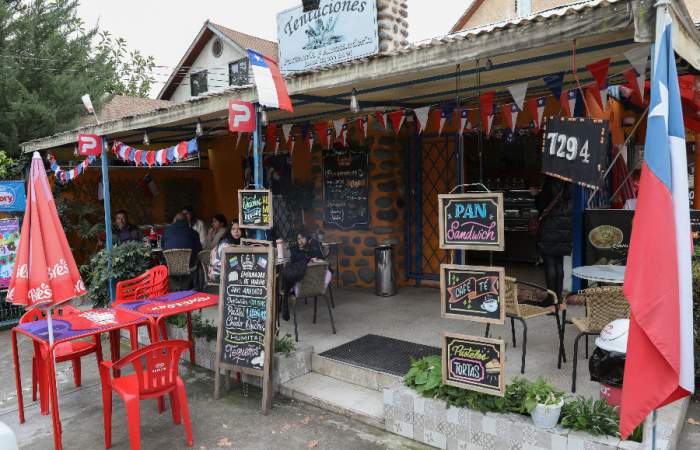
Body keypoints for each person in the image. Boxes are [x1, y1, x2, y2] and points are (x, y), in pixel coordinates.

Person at [531, 177, 572, 304]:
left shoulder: (550, 182)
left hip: (549, 226)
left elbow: (541, 206)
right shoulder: (570, 184)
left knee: (549, 264)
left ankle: (550, 299)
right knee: (559, 264)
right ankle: (558, 298)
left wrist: (536, 195)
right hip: (564, 228)